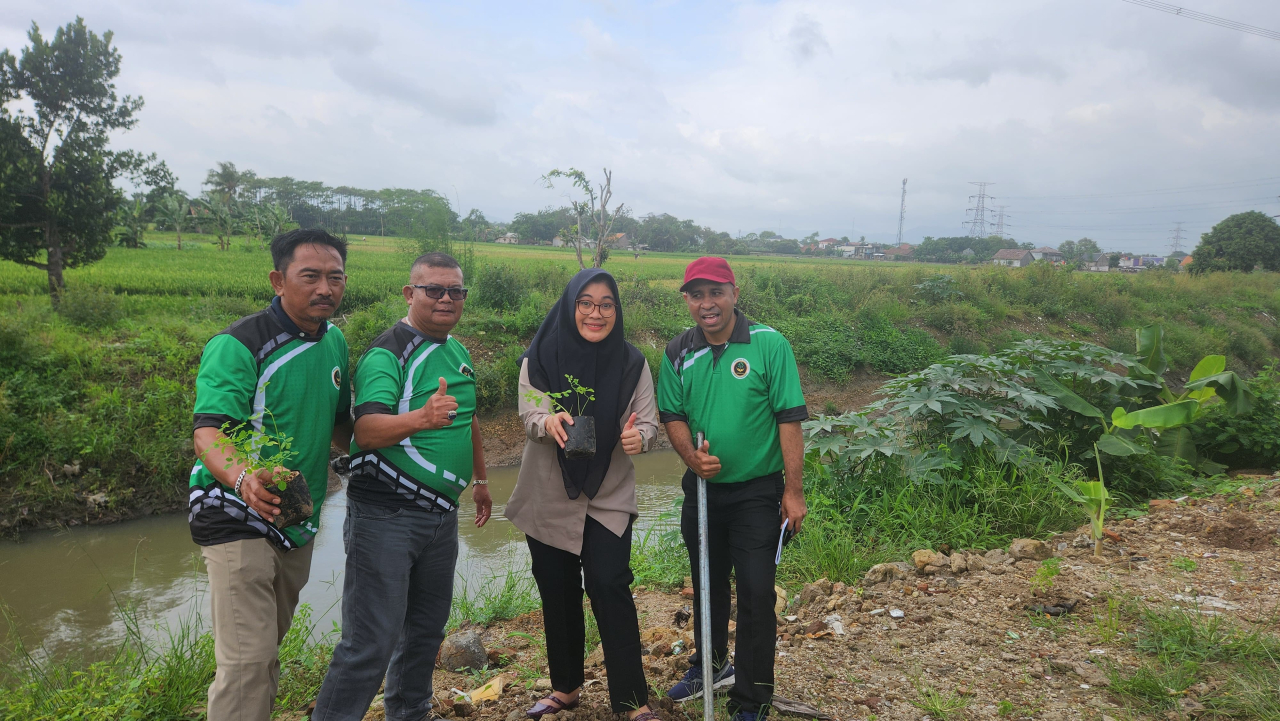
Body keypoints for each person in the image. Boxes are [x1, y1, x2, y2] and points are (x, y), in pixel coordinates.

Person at [312, 252, 492, 721]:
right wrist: (422, 418)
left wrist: (482, 480)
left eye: (456, 291)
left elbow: (466, 419)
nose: (447, 298)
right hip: (386, 515)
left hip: (440, 516)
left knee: (425, 632)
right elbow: (364, 430)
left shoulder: (457, 350)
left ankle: (410, 714)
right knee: (370, 642)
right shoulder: (387, 352)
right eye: (434, 289)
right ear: (410, 294)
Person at [190, 228, 354, 721]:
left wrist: (383, 455)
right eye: (310, 276)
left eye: (335, 277)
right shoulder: (238, 344)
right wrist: (244, 479)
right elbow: (210, 432)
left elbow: (342, 423)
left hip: (296, 514)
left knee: (263, 651)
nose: (325, 288)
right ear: (278, 280)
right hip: (235, 509)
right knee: (246, 662)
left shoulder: (336, 342)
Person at [656, 257, 808, 721]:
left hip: (757, 493)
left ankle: (752, 698)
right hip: (702, 491)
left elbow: (789, 418)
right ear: (687, 300)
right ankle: (710, 666)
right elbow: (672, 415)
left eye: (716, 292)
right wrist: (690, 457)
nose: (707, 304)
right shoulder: (678, 350)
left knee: (758, 592)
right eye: (697, 295)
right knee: (706, 584)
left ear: (734, 293)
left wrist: (794, 491)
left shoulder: (769, 345)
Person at [505, 269, 660, 721]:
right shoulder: (541, 355)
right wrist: (546, 422)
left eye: (606, 304)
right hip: (548, 493)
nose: (596, 313)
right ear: (571, 306)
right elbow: (530, 412)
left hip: (608, 494)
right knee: (557, 592)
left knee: (611, 587)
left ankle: (633, 702)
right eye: (586, 303)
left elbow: (648, 422)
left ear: (617, 310)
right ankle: (566, 689)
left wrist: (641, 439)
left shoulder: (633, 363)